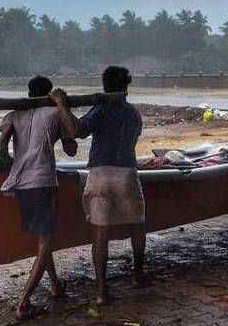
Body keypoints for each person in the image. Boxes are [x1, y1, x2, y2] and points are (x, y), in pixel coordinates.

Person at [50, 66, 145, 306]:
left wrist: (61, 104)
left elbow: (75, 130)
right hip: (126, 172)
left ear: (105, 86)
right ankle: (138, 276)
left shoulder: (101, 109)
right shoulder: (133, 114)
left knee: (100, 234)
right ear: (126, 86)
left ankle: (102, 292)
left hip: (101, 173)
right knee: (137, 227)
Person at [0, 75, 76, 322]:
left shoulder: (14, 115)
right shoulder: (53, 113)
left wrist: (15, 164)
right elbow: (71, 147)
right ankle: (23, 304)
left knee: (43, 239)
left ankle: (55, 285)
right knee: (45, 242)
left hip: (19, 184)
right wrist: (62, 106)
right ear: (48, 93)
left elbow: (0, 147)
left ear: (29, 92)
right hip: (42, 182)